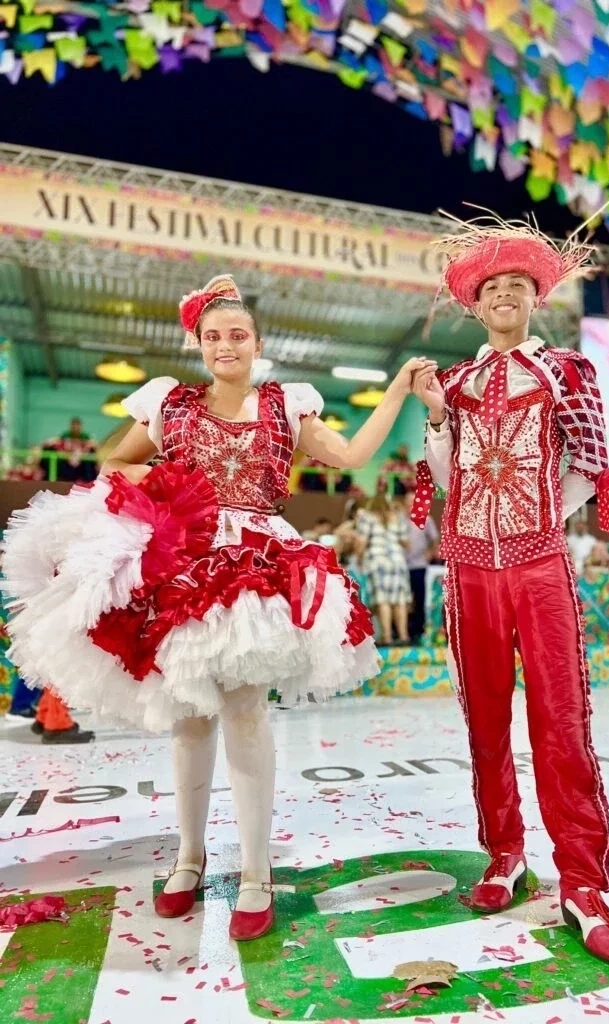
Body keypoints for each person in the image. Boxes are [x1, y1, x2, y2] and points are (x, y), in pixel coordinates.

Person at [2, 274, 434, 943]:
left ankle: (257, 871)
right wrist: (174, 485)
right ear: (199, 343)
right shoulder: (168, 405)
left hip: (259, 564)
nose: (225, 345)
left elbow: (350, 456)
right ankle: (188, 859)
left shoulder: (288, 404)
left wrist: (400, 388)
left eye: (237, 335)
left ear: (257, 343)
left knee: (245, 711)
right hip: (186, 560)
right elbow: (116, 461)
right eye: (213, 337)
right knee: (191, 715)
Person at [409, 212, 609, 967]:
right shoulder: (455, 384)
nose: (504, 295)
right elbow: (446, 483)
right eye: (492, 287)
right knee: (485, 724)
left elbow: (587, 464)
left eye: (517, 285)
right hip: (468, 569)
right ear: (475, 305)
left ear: (535, 297)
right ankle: (504, 854)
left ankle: (583, 883)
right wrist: (438, 423)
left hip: (538, 568)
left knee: (560, 721)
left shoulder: (564, 371)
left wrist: (539, 522)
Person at [356, 495, 411, 646]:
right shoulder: (398, 517)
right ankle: (404, 635)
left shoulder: (367, 517)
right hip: (398, 561)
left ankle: (387, 636)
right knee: (400, 600)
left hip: (377, 560)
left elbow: (361, 541)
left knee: (382, 600)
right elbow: (406, 543)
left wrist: (359, 557)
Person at [403, 490, 439, 644]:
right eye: (409, 501)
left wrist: (430, 553)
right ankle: (404, 631)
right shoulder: (398, 520)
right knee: (403, 601)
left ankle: (419, 631)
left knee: (419, 598)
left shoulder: (426, 520)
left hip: (419, 566)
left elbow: (435, 538)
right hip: (401, 566)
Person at [31, 689, 95, 744]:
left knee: (52, 680)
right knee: (59, 683)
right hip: (55, 725)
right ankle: (57, 727)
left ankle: (44, 717)